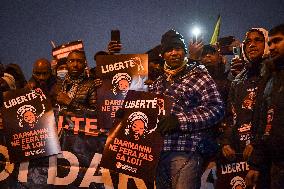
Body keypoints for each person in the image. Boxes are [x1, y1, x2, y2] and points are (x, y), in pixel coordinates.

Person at [149, 29, 224, 189]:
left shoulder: (199, 76)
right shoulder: (157, 83)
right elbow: (148, 114)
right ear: (163, 55)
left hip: (186, 151)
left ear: (184, 51)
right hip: (159, 153)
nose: (174, 53)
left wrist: (179, 121)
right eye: (169, 50)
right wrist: (126, 115)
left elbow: (216, 109)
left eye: (178, 49)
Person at [221, 28, 271, 189]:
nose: (252, 45)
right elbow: (231, 115)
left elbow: (273, 117)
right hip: (241, 155)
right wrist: (226, 142)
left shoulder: (274, 75)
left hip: (268, 156)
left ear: (267, 44)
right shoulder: (238, 80)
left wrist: (257, 145)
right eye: (248, 41)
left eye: (258, 40)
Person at [246, 24, 284, 189]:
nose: (273, 47)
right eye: (270, 43)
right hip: (275, 165)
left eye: (277, 41)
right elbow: (265, 123)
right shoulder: (270, 79)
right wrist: (255, 164)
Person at [56, 50, 101, 117]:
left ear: (85, 65)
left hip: (81, 126)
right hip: (59, 126)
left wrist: (70, 102)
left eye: (79, 61)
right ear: (67, 63)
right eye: (71, 61)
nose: (75, 65)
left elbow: (96, 113)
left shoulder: (92, 85)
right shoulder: (58, 85)